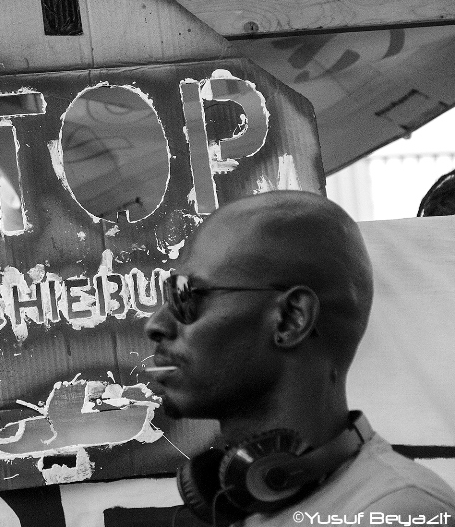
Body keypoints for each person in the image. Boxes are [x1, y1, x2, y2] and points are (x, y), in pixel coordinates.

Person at [145, 190, 455, 526]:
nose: (155, 324)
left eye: (185, 295)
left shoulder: (398, 512)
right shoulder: (251, 505)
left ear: (291, 319)